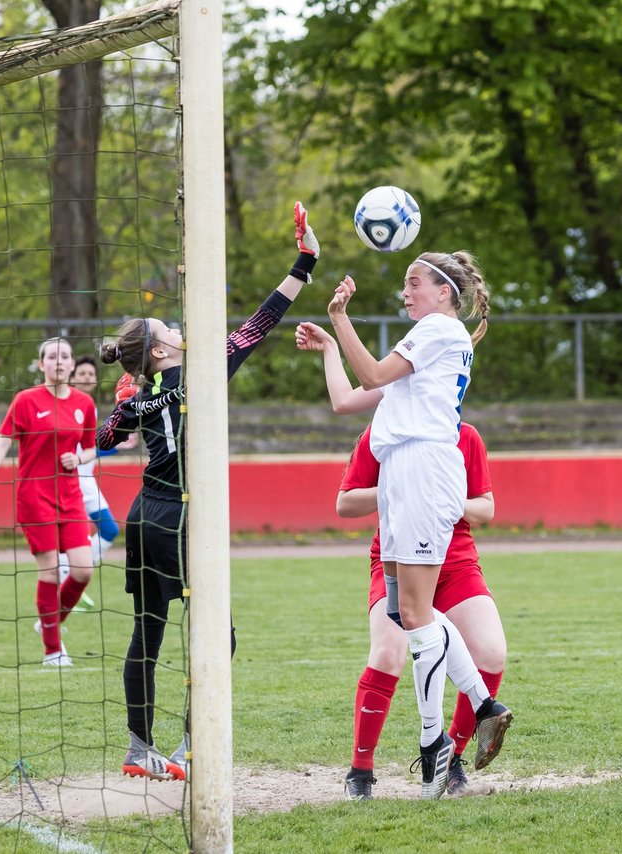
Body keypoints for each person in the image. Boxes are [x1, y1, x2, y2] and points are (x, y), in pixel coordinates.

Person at [97, 202, 319, 782]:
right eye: (170, 329)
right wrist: (304, 262)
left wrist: (123, 405)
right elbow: (260, 322)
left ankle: (138, 749)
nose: (178, 327)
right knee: (219, 634)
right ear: (163, 351)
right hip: (181, 517)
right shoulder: (199, 373)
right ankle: (195, 746)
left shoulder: (140, 394)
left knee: (147, 628)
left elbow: (101, 442)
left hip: (143, 514)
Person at [322, 251, 511, 801]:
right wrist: (334, 344)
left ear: (445, 293)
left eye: (414, 282)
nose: (406, 292)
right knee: (408, 612)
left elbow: (374, 373)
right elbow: (348, 399)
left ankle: (446, 737)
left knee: (416, 613)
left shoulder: (437, 329)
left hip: (425, 467)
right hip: (411, 469)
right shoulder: (427, 347)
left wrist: (340, 319)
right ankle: (471, 717)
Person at [0, 337, 98, 667]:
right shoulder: (25, 400)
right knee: (51, 572)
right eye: (53, 356)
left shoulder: (84, 403)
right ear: (41, 364)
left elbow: (91, 447)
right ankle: (53, 651)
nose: (60, 361)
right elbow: (1, 445)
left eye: (66, 356)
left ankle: (49, 621)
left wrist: (79, 457)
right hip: (35, 497)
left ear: (73, 365)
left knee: (84, 570)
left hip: (70, 497)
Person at [70, 355, 138, 567]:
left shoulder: (90, 407)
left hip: (86, 481)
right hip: (71, 480)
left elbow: (91, 447)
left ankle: (75, 576)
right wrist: (114, 447)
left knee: (108, 529)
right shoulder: (67, 407)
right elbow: (83, 450)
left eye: (91, 374)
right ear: (71, 378)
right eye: (82, 373)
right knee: (71, 537)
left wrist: (116, 446)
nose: (87, 377)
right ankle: (69, 579)